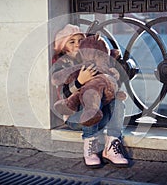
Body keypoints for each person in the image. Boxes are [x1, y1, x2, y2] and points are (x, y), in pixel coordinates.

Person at [52, 24, 129, 168]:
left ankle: (112, 145)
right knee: (89, 95)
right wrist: (80, 81)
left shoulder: (93, 59)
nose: (77, 45)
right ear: (64, 47)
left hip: (99, 116)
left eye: (80, 41)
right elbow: (65, 94)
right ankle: (90, 146)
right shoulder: (64, 65)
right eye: (72, 41)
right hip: (76, 118)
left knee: (117, 101)